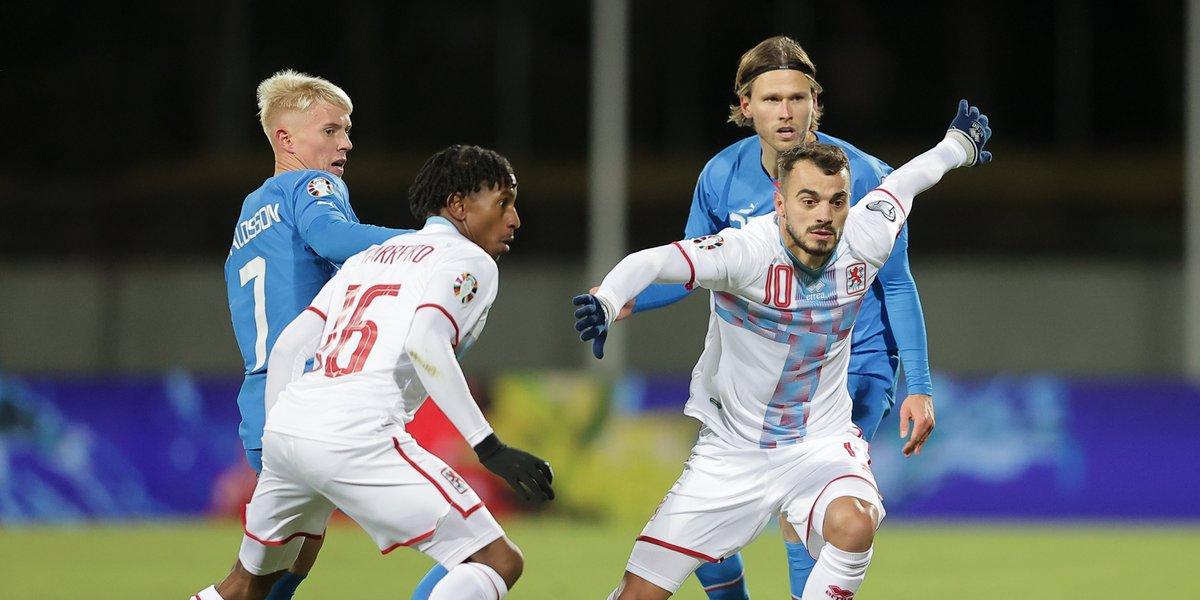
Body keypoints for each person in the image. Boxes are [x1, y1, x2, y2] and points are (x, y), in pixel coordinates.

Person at [574, 101, 991, 599]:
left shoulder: (865, 235)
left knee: (854, 524)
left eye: (837, 201)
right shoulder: (744, 253)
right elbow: (653, 261)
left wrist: (957, 147)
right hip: (731, 453)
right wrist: (606, 299)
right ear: (780, 203)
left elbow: (912, 179)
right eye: (808, 200)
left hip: (819, 443)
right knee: (637, 594)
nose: (824, 216)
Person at [194, 145, 554, 600]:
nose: (514, 218)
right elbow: (426, 342)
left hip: (290, 429)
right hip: (358, 433)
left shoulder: (372, 256)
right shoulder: (469, 260)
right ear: (459, 205)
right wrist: (488, 446)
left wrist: (278, 445)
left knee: (246, 587)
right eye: (503, 202)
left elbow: (288, 347)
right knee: (496, 561)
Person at [224, 69, 411, 599]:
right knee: (459, 528)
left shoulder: (252, 211)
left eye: (346, 130)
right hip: (307, 400)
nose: (345, 142)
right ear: (286, 138)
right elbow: (333, 236)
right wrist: (434, 240)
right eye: (330, 130)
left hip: (263, 401)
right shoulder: (311, 186)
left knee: (284, 564)